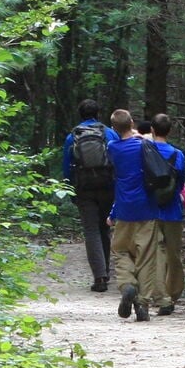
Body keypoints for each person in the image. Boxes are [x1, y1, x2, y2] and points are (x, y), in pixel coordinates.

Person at [104, 109, 165, 322]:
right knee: (146, 257)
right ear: (132, 123)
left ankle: (128, 284)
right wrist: (142, 136)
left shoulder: (112, 148)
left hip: (123, 208)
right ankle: (142, 305)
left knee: (121, 251)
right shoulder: (144, 145)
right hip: (147, 207)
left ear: (113, 128)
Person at [61, 99, 117, 292]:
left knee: (91, 230)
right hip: (107, 186)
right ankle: (106, 272)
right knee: (104, 228)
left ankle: (99, 276)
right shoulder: (109, 133)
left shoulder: (73, 136)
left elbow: (67, 168)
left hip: (84, 188)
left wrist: (71, 189)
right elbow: (117, 160)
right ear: (98, 114)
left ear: (80, 114)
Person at [148, 114, 185, 314]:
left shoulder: (145, 151)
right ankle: (173, 294)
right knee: (174, 255)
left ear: (152, 130)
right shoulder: (177, 154)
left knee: (155, 253)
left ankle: (159, 295)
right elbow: (181, 184)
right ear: (169, 131)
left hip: (150, 209)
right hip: (173, 210)